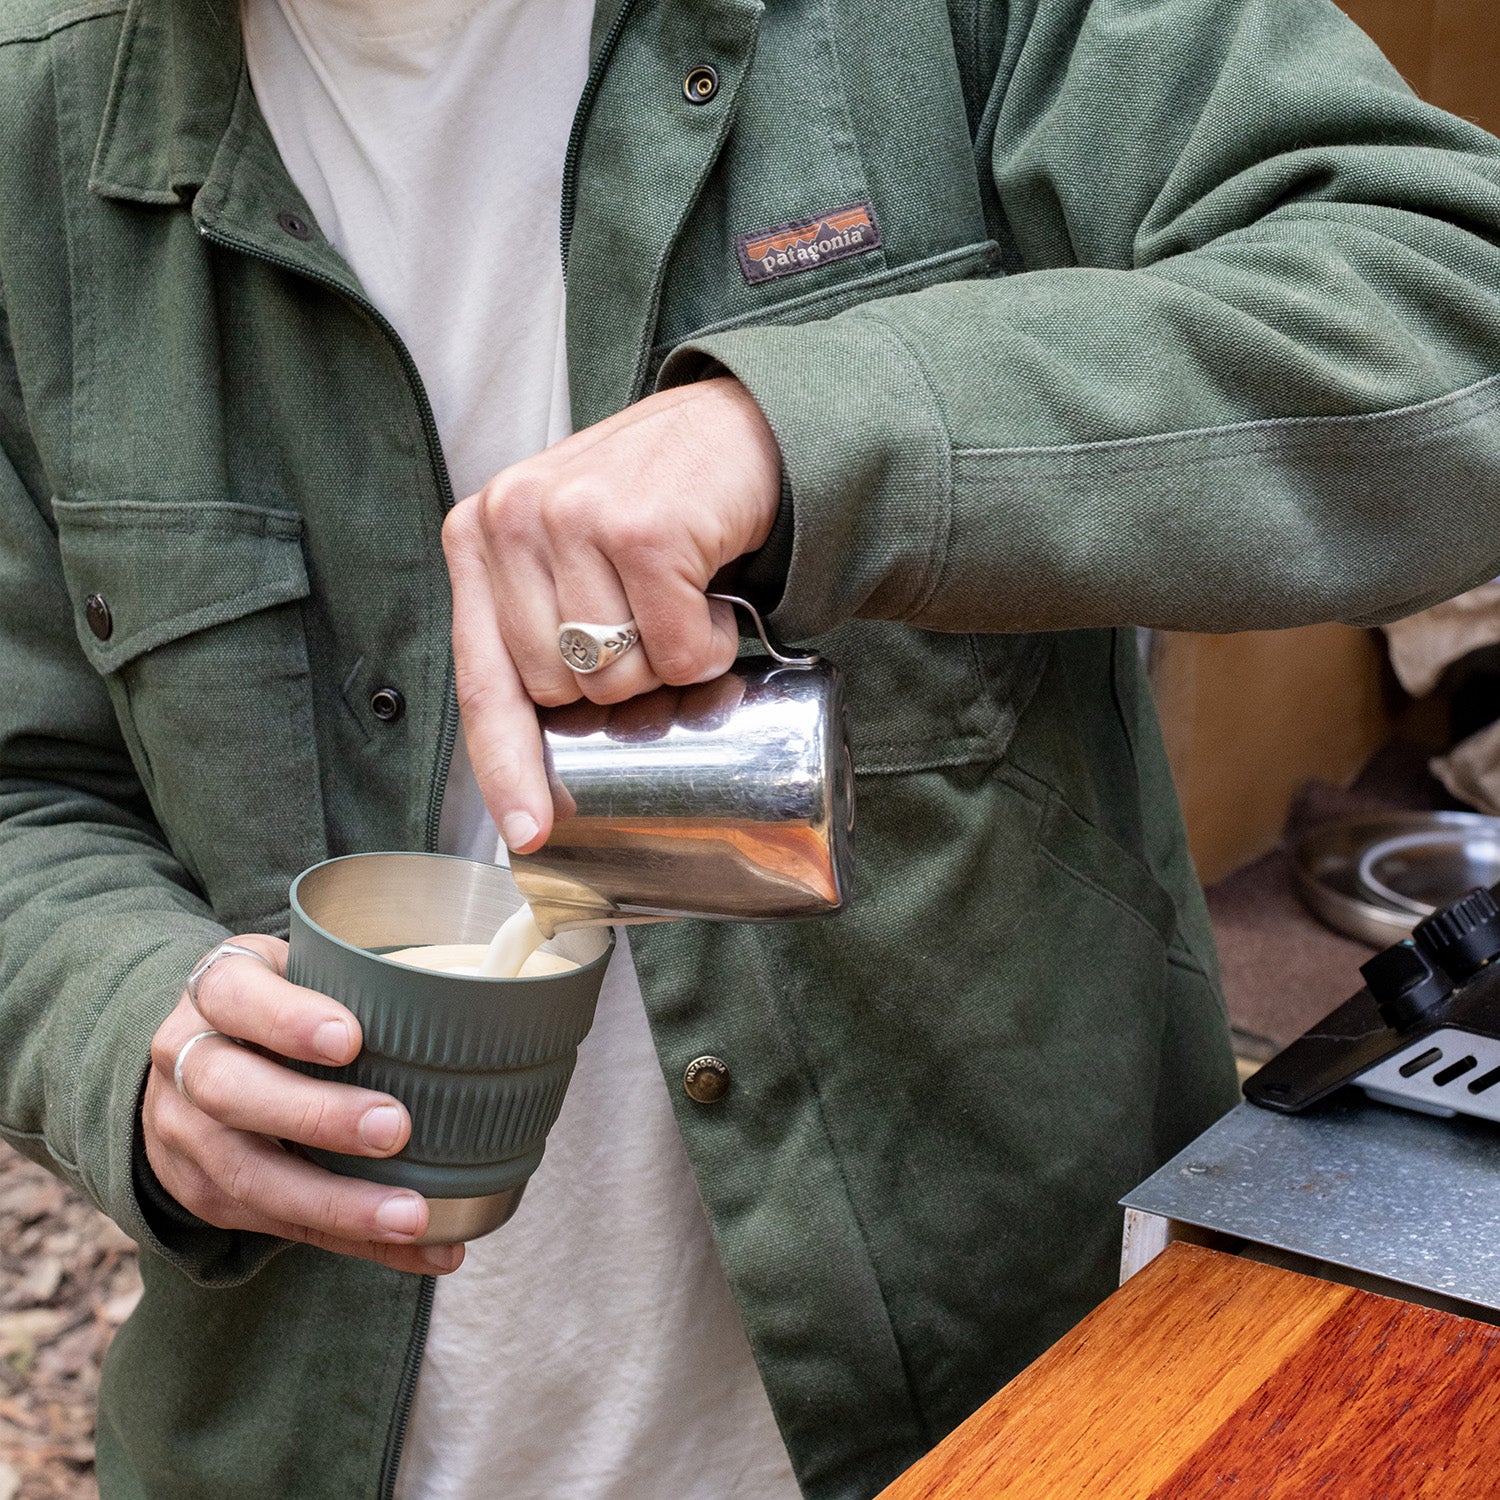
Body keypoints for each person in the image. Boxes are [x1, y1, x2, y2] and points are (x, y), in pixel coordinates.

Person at [4, 0, 1500, 1493]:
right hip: (293, 1435)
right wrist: (134, 1034)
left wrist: (809, 438)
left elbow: (1448, 305)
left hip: (995, 1414)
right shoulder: (39, 114)